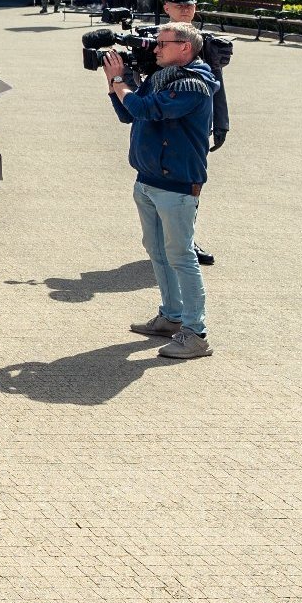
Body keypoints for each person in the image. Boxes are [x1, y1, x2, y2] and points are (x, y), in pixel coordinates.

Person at [105, 22, 217, 359]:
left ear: (185, 47)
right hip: (148, 180)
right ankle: (171, 317)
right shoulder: (161, 77)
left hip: (177, 185)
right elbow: (129, 114)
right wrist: (115, 86)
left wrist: (119, 81)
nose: (154, 49)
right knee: (156, 249)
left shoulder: (193, 84)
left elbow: (146, 109)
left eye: (161, 44)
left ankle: (196, 334)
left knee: (181, 256)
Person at [156, 0, 230, 265]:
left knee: (192, 185)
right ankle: (166, 240)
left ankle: (185, 240)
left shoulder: (207, 42)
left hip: (195, 128)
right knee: (161, 185)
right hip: (164, 125)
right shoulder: (156, 41)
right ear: (166, 8)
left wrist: (221, 122)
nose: (185, 9)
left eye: (190, 5)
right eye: (179, 5)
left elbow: (218, 86)